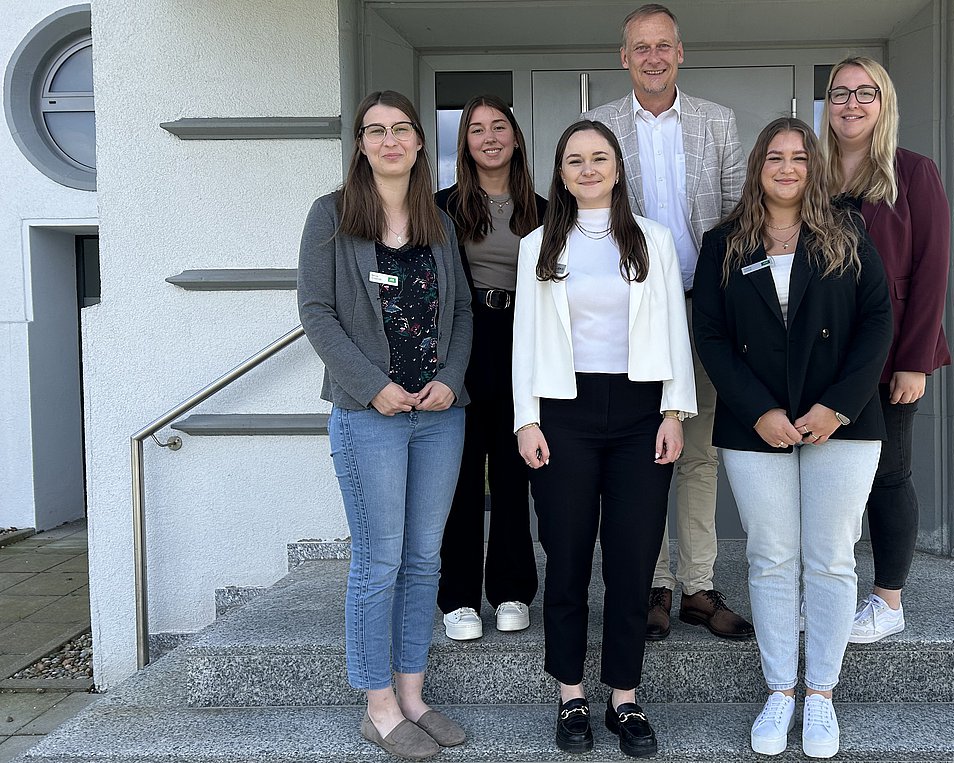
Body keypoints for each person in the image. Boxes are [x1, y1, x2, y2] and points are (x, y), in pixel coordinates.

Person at [692, 118, 892, 758]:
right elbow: (713, 339)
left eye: (799, 158)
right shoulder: (723, 242)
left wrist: (837, 407)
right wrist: (757, 411)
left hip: (844, 422)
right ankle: (780, 691)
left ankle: (822, 697)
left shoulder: (847, 231)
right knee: (772, 557)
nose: (786, 168)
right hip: (757, 426)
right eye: (774, 157)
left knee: (831, 557)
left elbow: (877, 323)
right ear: (757, 167)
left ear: (813, 168)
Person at [513, 119, 696, 758]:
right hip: (564, 411)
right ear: (560, 174)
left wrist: (676, 410)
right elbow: (526, 340)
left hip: (642, 413)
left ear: (617, 168)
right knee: (565, 556)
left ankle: (624, 696)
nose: (588, 169)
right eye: (574, 161)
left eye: (599, 158)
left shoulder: (654, 240)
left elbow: (674, 324)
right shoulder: (538, 243)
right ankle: (570, 695)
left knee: (632, 559)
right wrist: (525, 418)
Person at [297, 90, 471, 761]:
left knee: (425, 558)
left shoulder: (438, 220)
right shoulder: (333, 216)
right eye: (377, 131)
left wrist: (450, 380)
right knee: (380, 560)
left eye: (402, 129)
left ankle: (413, 693)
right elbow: (316, 312)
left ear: (420, 143)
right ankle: (377, 706)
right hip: (368, 415)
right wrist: (375, 388)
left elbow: (459, 316)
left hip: (437, 416)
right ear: (361, 144)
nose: (391, 140)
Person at [584, 2, 751, 643]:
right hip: (631, 314)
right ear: (623, 57)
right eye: (640, 48)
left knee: (700, 450)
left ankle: (699, 587)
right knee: (642, 452)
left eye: (664, 46)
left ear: (680, 53)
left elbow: (738, 217)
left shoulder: (717, 123)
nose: (653, 57)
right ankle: (650, 583)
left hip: (702, 306)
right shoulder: (599, 126)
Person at [820, 56, 952, 644]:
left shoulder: (913, 172)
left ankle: (888, 600)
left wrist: (914, 360)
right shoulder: (810, 173)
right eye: (840, 93)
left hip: (893, 353)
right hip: (823, 357)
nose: (851, 103)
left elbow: (932, 271)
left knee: (888, 475)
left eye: (864, 93)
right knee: (830, 478)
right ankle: (830, 590)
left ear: (884, 102)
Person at [434, 95, 547, 641]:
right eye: (476, 129)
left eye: (499, 126)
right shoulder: (442, 207)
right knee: (458, 472)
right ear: (465, 145)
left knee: (512, 469)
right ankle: (457, 597)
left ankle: (509, 591)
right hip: (463, 340)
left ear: (516, 137)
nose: (489, 137)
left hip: (523, 341)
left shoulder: (547, 211)